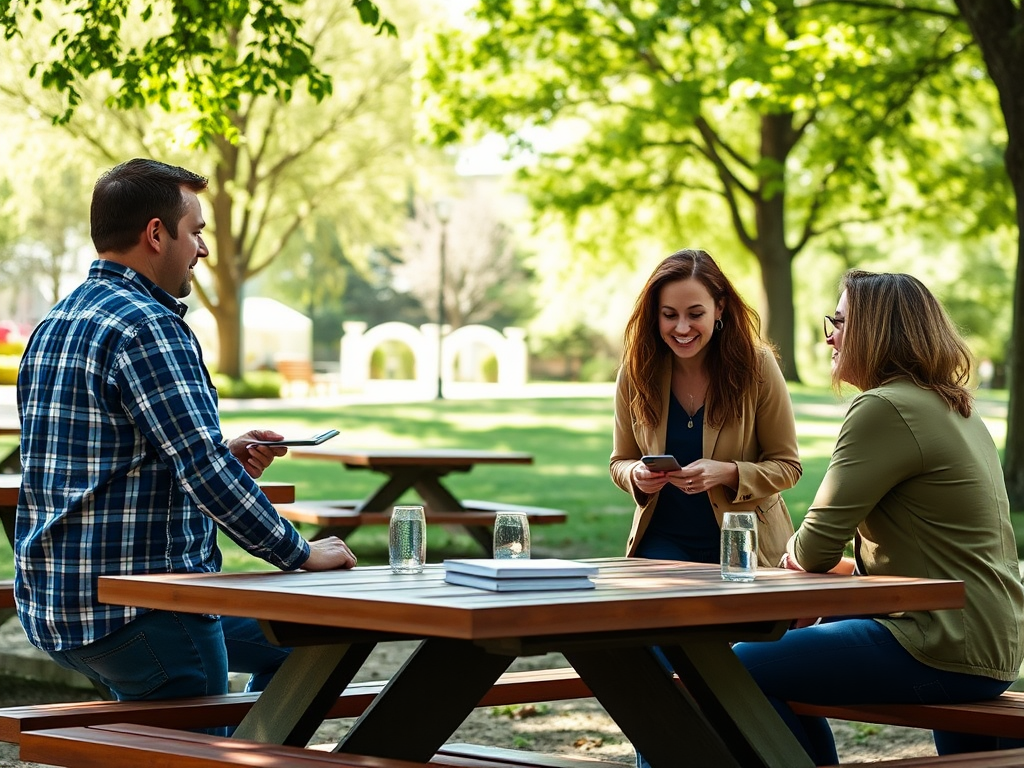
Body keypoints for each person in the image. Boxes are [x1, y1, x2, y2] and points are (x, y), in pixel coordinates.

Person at [14, 158, 357, 705]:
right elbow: (206, 475)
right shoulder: (149, 325)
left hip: (59, 605)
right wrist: (299, 553)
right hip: (144, 611)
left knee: (302, 644)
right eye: (196, 232)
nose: (203, 249)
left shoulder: (58, 321)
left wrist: (217, 448)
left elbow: (105, 451)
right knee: (209, 741)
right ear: (156, 234)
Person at [733, 270, 1024, 765]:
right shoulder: (956, 406)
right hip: (997, 641)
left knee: (738, 667)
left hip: (937, 640)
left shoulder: (883, 407)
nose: (830, 334)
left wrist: (795, 560)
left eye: (841, 321)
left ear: (876, 330)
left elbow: (815, 548)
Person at [610, 248, 802, 567]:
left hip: (744, 543)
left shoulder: (758, 366)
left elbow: (788, 467)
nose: (682, 328)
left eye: (695, 314)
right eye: (669, 315)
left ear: (719, 308)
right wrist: (635, 474)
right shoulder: (636, 372)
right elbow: (620, 461)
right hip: (663, 543)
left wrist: (728, 473)